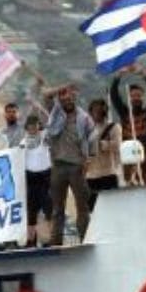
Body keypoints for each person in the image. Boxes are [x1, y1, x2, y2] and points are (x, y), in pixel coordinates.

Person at [44, 83, 95, 241]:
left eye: (71, 99)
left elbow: (92, 137)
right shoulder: (55, 113)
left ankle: (85, 238)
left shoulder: (84, 117)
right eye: (65, 100)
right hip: (58, 166)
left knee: (82, 205)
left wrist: (90, 158)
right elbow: (46, 94)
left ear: (75, 99)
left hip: (77, 166)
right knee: (57, 208)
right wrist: (62, 87)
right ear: (60, 100)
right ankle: (56, 241)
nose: (68, 102)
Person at [109, 67, 146, 184]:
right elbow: (114, 97)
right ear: (129, 98)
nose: (136, 98)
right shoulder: (124, 113)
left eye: (138, 96)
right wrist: (117, 78)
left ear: (143, 97)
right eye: (133, 96)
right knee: (131, 186)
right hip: (129, 157)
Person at [19, 114, 52, 244]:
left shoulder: (45, 137)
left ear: (39, 125)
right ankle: (31, 241)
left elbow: (52, 123)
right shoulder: (23, 142)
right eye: (30, 125)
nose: (33, 127)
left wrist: (40, 110)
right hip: (31, 179)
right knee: (31, 211)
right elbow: (18, 159)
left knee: (49, 209)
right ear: (26, 127)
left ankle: (53, 239)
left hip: (46, 177)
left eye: (35, 124)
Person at [84, 97, 122, 204]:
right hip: (91, 174)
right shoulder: (88, 129)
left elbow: (118, 145)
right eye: (94, 111)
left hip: (108, 173)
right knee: (91, 206)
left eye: (99, 111)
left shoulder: (114, 127)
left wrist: (105, 144)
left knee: (112, 204)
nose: (96, 114)